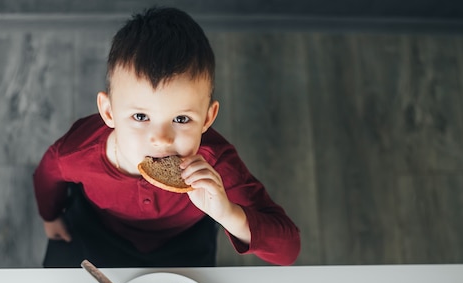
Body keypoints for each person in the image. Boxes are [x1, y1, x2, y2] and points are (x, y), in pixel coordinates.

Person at [33, 7, 300, 268]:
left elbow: (288, 251)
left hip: (185, 243)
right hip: (97, 230)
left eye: (181, 119)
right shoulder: (78, 152)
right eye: (140, 117)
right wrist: (50, 215)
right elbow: (48, 174)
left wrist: (227, 214)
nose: (161, 139)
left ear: (207, 118)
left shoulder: (215, 165)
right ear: (108, 111)